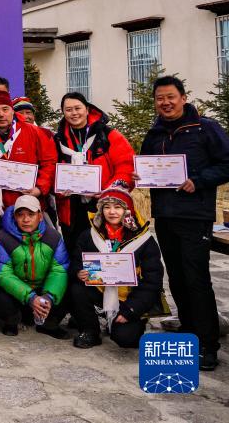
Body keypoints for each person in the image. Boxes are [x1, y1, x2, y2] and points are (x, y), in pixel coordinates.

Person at [139, 75, 229, 370]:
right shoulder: (155, 133)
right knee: (176, 277)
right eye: (159, 98)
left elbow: (226, 164)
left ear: (183, 98)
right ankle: (190, 330)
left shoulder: (205, 128)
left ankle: (208, 344)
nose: (165, 103)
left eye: (170, 97)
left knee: (196, 279)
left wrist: (198, 181)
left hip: (194, 216)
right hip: (165, 215)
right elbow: (145, 165)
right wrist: (140, 174)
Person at [67, 187, 163, 350]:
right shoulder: (90, 235)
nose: (112, 212)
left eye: (118, 207)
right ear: (101, 210)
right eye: (107, 207)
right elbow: (76, 260)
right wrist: (78, 272)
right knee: (76, 289)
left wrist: (131, 310)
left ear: (127, 210)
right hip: (101, 290)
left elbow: (152, 281)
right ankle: (90, 330)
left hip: (130, 298)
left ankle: (134, 320)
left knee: (126, 339)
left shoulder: (144, 240)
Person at [53, 92, 135, 252]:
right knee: (75, 254)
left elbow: (126, 166)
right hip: (71, 209)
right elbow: (50, 170)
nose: (74, 113)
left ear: (87, 109)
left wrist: (109, 191)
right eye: (68, 109)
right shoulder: (58, 140)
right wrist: (58, 189)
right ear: (63, 112)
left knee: (102, 255)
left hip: (104, 207)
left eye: (78, 108)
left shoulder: (108, 135)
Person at [0, 195, 69, 339]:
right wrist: (30, 297)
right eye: (20, 215)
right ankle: (12, 321)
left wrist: (48, 297)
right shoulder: (3, 237)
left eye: (31, 214)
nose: (25, 219)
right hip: (18, 292)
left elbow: (59, 269)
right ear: (14, 217)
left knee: (67, 288)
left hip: (42, 288)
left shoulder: (53, 237)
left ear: (40, 216)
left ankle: (48, 324)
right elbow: (3, 273)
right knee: (1, 298)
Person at [0, 90, 56, 227]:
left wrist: (39, 188)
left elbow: (49, 163)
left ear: (12, 111)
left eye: (5, 109)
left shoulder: (33, 132)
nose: (1, 114)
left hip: (30, 205)